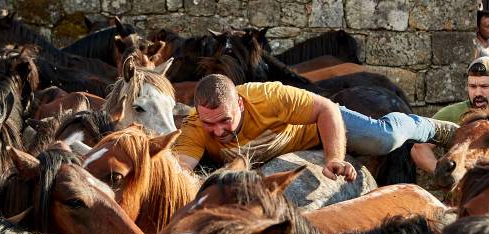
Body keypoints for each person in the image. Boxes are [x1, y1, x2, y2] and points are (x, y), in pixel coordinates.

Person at [173, 75, 458, 182]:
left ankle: (430, 126)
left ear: (241, 104)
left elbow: (326, 109)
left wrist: (334, 158)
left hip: (317, 129)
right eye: (210, 123)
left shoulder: (267, 96)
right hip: (281, 154)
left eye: (225, 120)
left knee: (383, 138)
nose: (219, 130)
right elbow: (179, 173)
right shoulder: (195, 128)